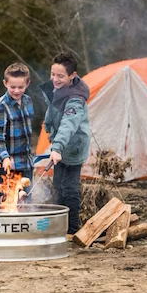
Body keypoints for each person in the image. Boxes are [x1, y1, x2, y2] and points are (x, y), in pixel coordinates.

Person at [39, 52, 91, 235]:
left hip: (73, 148)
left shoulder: (75, 99)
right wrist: (48, 127)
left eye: (60, 76)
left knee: (69, 189)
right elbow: (52, 111)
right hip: (59, 147)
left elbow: (68, 124)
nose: (55, 79)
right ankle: (59, 226)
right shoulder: (55, 89)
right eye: (53, 74)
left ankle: (71, 230)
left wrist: (57, 147)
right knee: (57, 186)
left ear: (72, 76)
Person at [0, 62, 35, 203]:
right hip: (7, 164)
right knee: (7, 202)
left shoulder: (28, 101)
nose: (16, 91)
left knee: (25, 201)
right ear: (5, 83)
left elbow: (27, 131)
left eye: (20, 87)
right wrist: (5, 157)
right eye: (12, 87)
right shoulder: (1, 106)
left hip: (25, 162)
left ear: (27, 83)